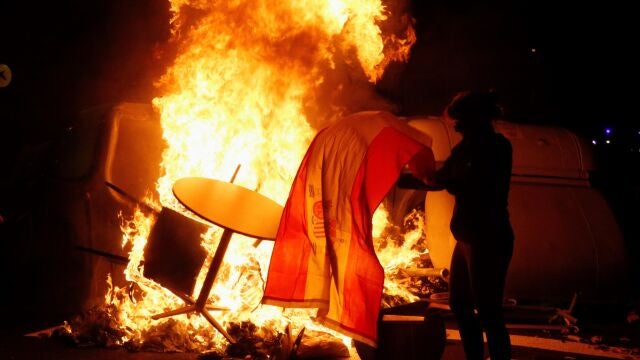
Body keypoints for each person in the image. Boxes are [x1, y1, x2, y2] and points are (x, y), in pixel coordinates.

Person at [429, 90, 514, 360]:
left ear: (477, 118)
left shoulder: (497, 147)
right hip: (466, 237)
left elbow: (474, 183)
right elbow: (441, 177)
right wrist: (398, 176)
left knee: (488, 311)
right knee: (460, 304)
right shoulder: (464, 148)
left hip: (488, 238)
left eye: (461, 120)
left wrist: (444, 180)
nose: (457, 126)